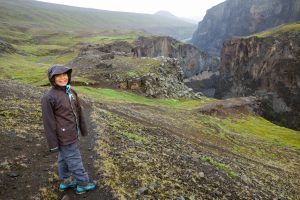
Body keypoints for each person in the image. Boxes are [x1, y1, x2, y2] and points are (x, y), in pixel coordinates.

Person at [41, 64, 97, 194]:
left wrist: (83, 129)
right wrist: (53, 144)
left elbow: (79, 111)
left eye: (65, 75)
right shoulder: (48, 98)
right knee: (74, 158)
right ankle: (83, 183)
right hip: (64, 136)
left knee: (63, 157)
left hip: (72, 132)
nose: (62, 78)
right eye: (58, 76)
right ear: (52, 78)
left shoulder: (70, 92)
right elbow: (48, 122)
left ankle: (66, 181)